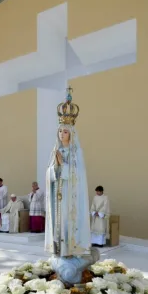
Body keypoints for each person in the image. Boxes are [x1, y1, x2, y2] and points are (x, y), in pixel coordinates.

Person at [45, 89, 91, 257]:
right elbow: (49, 174)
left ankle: (70, 249)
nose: (61, 134)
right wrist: (55, 168)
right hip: (57, 192)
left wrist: (63, 165)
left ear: (71, 134)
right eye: (60, 131)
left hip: (69, 194)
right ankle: (58, 250)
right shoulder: (55, 150)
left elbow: (77, 175)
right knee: (58, 221)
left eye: (65, 131)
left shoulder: (75, 153)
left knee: (67, 221)